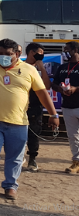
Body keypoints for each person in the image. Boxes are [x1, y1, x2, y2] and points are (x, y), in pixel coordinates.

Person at [0, 24, 59, 201]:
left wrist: (54, 115)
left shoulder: (29, 70)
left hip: (18, 122)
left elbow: (42, 93)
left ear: (17, 54)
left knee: (15, 157)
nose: (3, 57)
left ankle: (10, 186)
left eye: (8, 54)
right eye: (0, 53)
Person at [52, 41, 79, 173]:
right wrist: (61, 90)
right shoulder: (62, 67)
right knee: (73, 136)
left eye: (67, 50)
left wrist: (75, 89)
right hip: (67, 107)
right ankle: (76, 162)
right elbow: (54, 84)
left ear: (75, 50)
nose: (65, 52)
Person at [24, 42, 51, 172]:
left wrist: (41, 68)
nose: (42, 56)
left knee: (34, 133)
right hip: (21, 106)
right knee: (17, 133)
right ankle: (17, 157)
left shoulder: (40, 69)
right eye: (39, 54)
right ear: (31, 53)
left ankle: (32, 159)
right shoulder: (21, 66)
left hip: (36, 106)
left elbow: (47, 87)